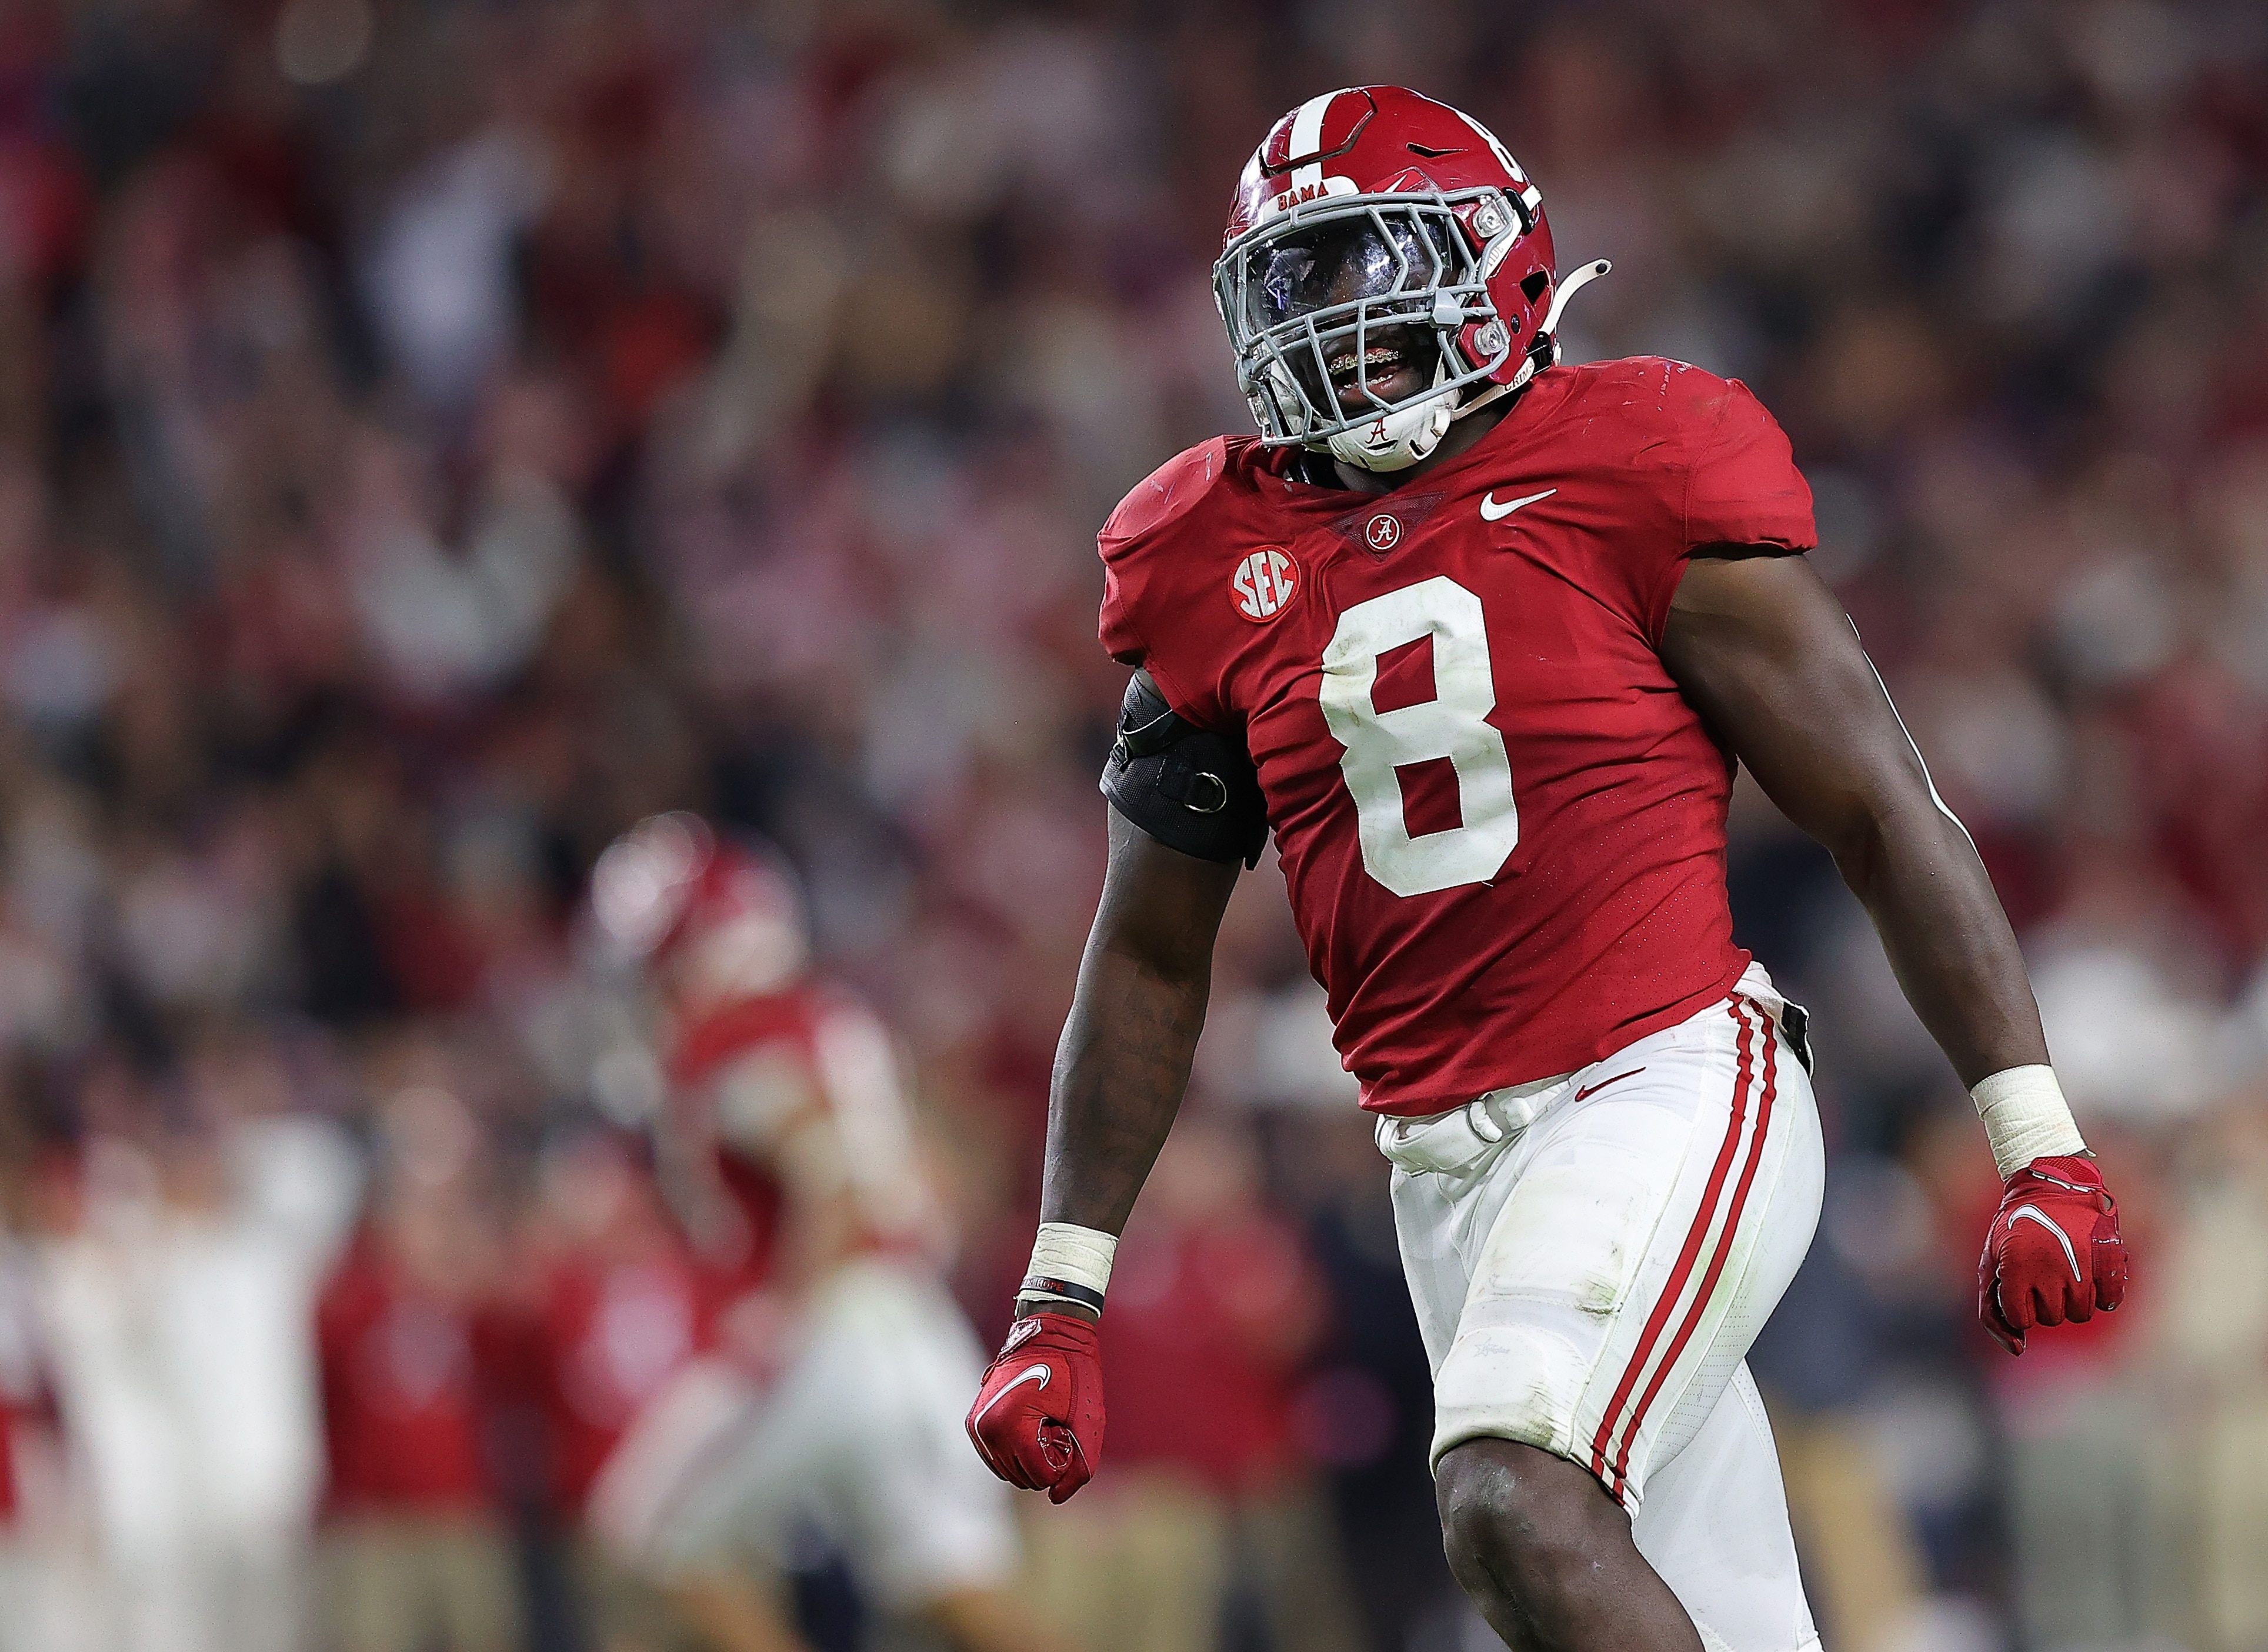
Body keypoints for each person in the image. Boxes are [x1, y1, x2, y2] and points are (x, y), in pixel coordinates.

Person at [965, 85, 2132, 1652]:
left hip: (1661, 1082)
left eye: (1371, 270)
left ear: (1496, 264)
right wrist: (1062, 1290)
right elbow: (1153, 951)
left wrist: (2034, 1136)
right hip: (1441, 1172)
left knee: (1515, 1500)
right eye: (1299, 285)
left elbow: (1881, 808)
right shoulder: (1210, 563)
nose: (1335, 329)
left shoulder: (1631, 467)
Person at [580, 814, 1055, 1652]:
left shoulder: (732, 1032)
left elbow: (825, 1171)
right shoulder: (832, 1017)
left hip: (829, 1324)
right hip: (911, 1321)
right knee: (966, 1604)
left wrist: (782, 1314)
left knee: (651, 1536)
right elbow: (934, 1182)